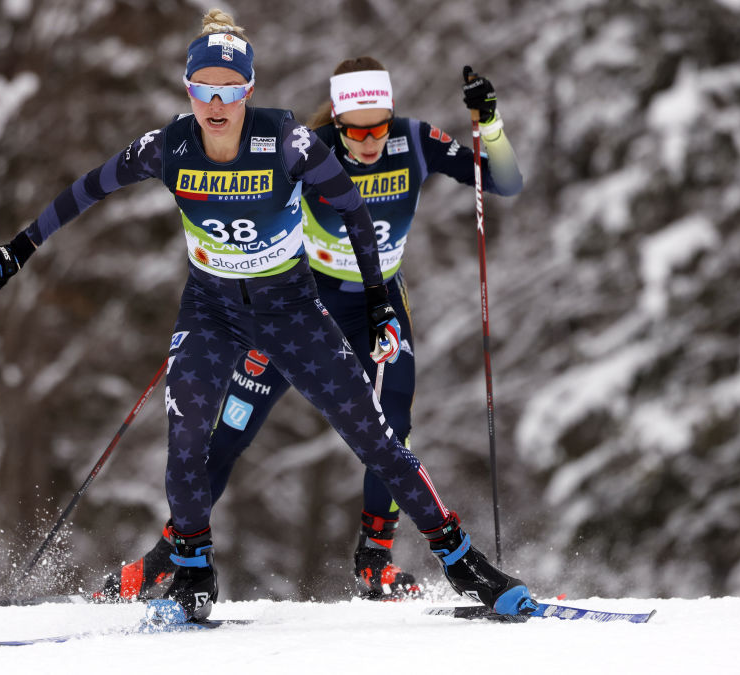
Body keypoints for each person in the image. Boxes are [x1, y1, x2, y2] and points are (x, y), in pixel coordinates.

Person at [0, 10, 536, 621]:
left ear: (249, 91)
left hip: (290, 309)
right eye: (204, 88)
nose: (217, 102)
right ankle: (189, 569)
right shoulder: (170, 146)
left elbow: (355, 213)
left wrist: (380, 307)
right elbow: (86, 190)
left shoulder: (289, 142)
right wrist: (13, 253)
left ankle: (460, 561)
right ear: (189, 91)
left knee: (375, 434)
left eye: (230, 89)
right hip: (211, 309)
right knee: (189, 429)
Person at [99, 57, 526, 603]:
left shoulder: (415, 142)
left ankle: (376, 561)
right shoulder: (307, 144)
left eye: (380, 127)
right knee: (229, 429)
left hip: (377, 300)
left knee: (390, 429)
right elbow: (245, 200)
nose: (371, 142)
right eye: (357, 131)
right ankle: (170, 555)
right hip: (299, 303)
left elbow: (506, 182)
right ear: (338, 122)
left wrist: (489, 126)